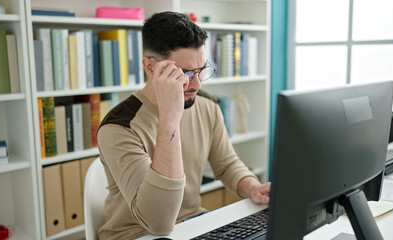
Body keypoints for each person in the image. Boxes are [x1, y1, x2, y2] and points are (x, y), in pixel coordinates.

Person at [97, 11, 271, 240]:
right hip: (135, 234)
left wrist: (252, 188)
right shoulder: (118, 127)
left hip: (192, 225)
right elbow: (158, 222)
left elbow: (227, 164)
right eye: (186, 73)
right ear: (150, 68)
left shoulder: (206, 105)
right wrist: (170, 118)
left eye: (200, 70)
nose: (196, 84)